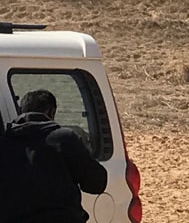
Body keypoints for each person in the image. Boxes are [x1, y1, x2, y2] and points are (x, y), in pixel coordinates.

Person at [0, 89, 108, 223]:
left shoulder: (4, 143)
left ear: (21, 111)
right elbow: (96, 183)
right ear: (51, 112)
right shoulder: (64, 139)